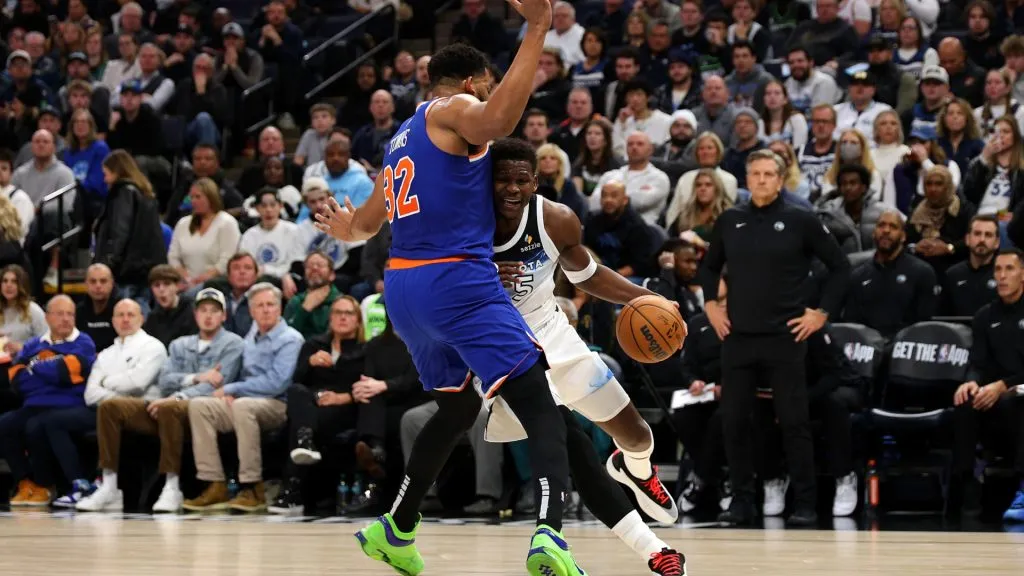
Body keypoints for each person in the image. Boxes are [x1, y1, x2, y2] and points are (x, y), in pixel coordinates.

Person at [315, 1, 587, 573]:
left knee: (457, 407)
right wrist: (537, 28)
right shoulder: (455, 107)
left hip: (404, 290)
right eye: (486, 87)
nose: (487, 97)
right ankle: (550, 536)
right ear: (470, 83)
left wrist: (345, 229)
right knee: (537, 399)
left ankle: (398, 525)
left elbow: (365, 224)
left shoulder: (399, 141)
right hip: (454, 277)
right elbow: (497, 123)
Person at [490, 137, 685, 573]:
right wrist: (481, 272)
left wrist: (643, 298)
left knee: (637, 435)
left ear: (536, 182)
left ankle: (634, 467)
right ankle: (652, 549)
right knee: (571, 448)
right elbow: (437, 276)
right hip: (502, 348)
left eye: (522, 180)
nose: (511, 188)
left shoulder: (554, 219)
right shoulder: (466, 224)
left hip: (552, 332)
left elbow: (588, 273)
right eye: (501, 179)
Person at [700, 149, 851, 526]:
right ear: (747, 179)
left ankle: (804, 502)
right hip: (739, 337)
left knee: (794, 421)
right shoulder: (730, 220)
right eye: (756, 174)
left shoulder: (801, 220)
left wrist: (820, 313)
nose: (763, 180)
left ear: (781, 180)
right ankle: (742, 500)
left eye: (770, 174)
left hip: (785, 337)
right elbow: (708, 266)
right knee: (733, 420)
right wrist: (710, 306)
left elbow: (840, 267)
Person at [75, 288, 244, 514]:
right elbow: (165, 381)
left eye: (214, 311)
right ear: (195, 315)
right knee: (110, 407)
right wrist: (196, 377)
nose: (208, 316)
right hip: (166, 406)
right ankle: (109, 485)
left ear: (224, 316)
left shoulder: (233, 343)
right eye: (203, 310)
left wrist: (179, 394)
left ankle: (172, 486)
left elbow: (219, 383)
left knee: (170, 408)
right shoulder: (179, 345)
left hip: (201, 408)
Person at [950, 249, 1024, 522]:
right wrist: (970, 381)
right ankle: (967, 486)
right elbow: (977, 362)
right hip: (994, 393)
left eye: (1010, 269)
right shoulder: (984, 316)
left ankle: (1022, 490)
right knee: (964, 402)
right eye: (998, 270)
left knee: (1019, 400)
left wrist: (1003, 385)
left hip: (1017, 392)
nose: (1002, 277)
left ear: (1023, 274)